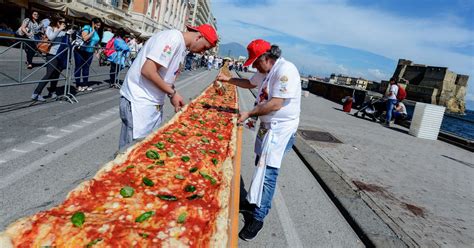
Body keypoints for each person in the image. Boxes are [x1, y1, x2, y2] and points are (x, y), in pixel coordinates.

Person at [216, 39, 301, 241]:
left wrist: (250, 113)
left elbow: (276, 104)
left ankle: (259, 217)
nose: (253, 66)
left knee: (269, 172)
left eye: (255, 61)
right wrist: (228, 80)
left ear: (267, 58)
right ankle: (253, 201)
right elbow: (249, 83)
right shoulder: (265, 71)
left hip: (280, 129)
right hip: (267, 126)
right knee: (259, 164)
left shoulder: (285, 70)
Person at [118, 24, 218, 150]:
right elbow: (148, 70)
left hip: (151, 103)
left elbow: (165, 76)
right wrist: (172, 93)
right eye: (205, 47)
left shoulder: (182, 46)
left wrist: (172, 93)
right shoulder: (173, 38)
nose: (202, 52)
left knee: (147, 148)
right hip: (139, 102)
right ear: (198, 37)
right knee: (131, 151)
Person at [31, 15, 69, 102]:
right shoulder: (50, 28)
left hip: (60, 54)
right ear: (57, 22)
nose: (64, 24)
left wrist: (68, 33)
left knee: (56, 74)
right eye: (62, 22)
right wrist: (59, 29)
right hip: (51, 54)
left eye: (64, 23)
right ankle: (36, 93)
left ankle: (52, 91)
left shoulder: (63, 30)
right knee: (49, 74)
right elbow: (51, 37)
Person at [74, 18, 102, 92]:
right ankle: (78, 85)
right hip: (81, 50)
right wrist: (92, 31)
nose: (98, 27)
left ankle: (85, 84)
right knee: (78, 67)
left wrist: (97, 51)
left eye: (99, 25)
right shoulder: (87, 27)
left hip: (90, 51)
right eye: (97, 25)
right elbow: (85, 38)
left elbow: (95, 42)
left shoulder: (96, 30)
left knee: (86, 68)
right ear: (93, 23)